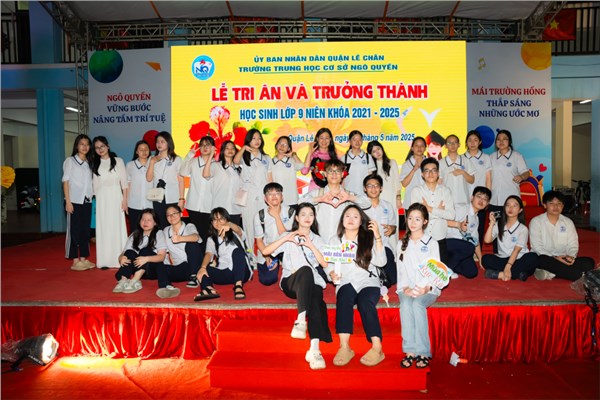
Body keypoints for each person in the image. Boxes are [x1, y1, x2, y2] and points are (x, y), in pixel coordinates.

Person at [262, 202, 332, 370]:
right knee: (306, 270)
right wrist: (286, 238)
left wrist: (310, 245)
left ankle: (314, 349)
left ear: (314, 218)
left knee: (316, 298)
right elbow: (265, 251)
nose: (307, 218)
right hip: (291, 281)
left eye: (311, 215)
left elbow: (324, 263)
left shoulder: (317, 239)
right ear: (297, 218)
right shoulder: (288, 235)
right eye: (303, 214)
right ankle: (301, 320)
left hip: (312, 282)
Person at [325, 204, 386, 367]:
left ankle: (377, 347)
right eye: (347, 216)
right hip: (346, 280)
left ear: (361, 221)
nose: (351, 219)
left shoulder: (368, 238)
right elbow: (328, 264)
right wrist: (331, 273)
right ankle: (344, 347)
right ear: (342, 220)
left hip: (368, 280)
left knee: (365, 302)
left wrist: (378, 237)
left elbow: (381, 262)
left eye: (355, 216)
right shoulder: (335, 240)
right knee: (344, 298)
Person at [397, 203, 440, 369]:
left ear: (425, 222)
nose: (413, 222)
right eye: (410, 218)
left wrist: (426, 288)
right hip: (407, 287)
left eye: (417, 219)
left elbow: (436, 271)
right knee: (406, 304)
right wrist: (405, 288)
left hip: (428, 288)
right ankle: (409, 351)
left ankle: (423, 352)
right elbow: (401, 270)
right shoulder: (401, 243)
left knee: (417, 305)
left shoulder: (432, 243)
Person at [300, 159, 371, 244]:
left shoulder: (348, 194)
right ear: (325, 174)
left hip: (340, 243)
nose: (334, 174)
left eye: (338, 171)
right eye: (330, 171)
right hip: (318, 242)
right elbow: (300, 202)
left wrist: (349, 197)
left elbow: (367, 203)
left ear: (342, 174)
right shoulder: (317, 193)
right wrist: (319, 199)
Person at [529, 191, 595, 281]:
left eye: (559, 204)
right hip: (546, 258)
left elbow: (573, 244)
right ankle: (579, 276)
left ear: (563, 206)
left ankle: (550, 274)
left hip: (564, 259)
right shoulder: (536, 222)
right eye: (551, 203)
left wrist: (571, 257)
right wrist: (555, 258)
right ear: (544, 205)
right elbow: (537, 247)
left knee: (589, 262)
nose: (556, 207)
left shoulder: (568, 222)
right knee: (541, 259)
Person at [195, 207, 253, 301]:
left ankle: (238, 286)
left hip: (242, 272)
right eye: (215, 219)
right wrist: (203, 267)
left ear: (226, 219)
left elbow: (238, 230)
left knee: (237, 251)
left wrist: (229, 224)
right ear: (212, 222)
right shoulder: (211, 239)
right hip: (225, 272)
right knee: (205, 268)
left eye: (221, 218)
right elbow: (208, 254)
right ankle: (209, 289)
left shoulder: (235, 233)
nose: (218, 222)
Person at [92, 136, 128, 269]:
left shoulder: (118, 161)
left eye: (102, 146)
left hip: (116, 197)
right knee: (104, 228)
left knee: (117, 227)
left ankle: (120, 259)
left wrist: (125, 200)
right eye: (97, 148)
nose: (100, 149)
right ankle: (104, 261)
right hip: (102, 199)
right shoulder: (95, 164)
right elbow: (95, 187)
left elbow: (124, 183)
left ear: (108, 146)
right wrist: (96, 204)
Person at [482, 195, 538, 281]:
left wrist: (508, 266)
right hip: (503, 258)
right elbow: (487, 240)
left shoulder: (523, 229)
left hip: (519, 258)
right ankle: (517, 274)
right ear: (504, 208)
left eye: (514, 206)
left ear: (520, 210)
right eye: (508, 205)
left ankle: (500, 274)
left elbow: (516, 250)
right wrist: (492, 224)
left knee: (533, 257)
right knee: (485, 259)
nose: (510, 208)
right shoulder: (499, 224)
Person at [233, 128, 271, 253]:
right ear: (248, 140)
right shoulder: (244, 156)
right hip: (248, 196)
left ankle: (264, 255)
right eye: (254, 138)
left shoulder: (266, 158)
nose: (257, 141)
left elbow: (270, 178)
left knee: (264, 225)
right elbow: (235, 161)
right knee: (249, 225)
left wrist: (270, 197)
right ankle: (250, 256)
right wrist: (243, 148)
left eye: (259, 138)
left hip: (263, 196)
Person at [410, 157, 455, 262]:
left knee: (440, 270)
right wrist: (440, 212)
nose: (430, 173)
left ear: (438, 173)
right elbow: (416, 218)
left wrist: (429, 209)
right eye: (427, 171)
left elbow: (451, 215)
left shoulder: (445, 191)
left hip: (440, 237)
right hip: (421, 237)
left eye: (434, 170)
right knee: (420, 268)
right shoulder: (416, 191)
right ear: (422, 174)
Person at [113, 209, 166, 294]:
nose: (145, 222)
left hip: (150, 269)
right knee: (129, 252)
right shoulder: (135, 234)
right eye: (143, 219)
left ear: (155, 222)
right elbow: (124, 252)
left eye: (149, 220)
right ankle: (123, 280)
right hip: (135, 268)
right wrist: (121, 258)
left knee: (145, 250)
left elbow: (161, 257)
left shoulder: (159, 234)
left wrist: (146, 259)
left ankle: (135, 281)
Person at [155, 205, 203, 299]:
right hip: (180, 268)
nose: (171, 216)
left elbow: (196, 237)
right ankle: (166, 286)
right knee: (158, 261)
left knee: (192, 244)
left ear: (181, 214)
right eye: (168, 215)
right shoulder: (165, 230)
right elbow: (162, 249)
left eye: (174, 213)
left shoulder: (189, 226)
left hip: (193, 266)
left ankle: (194, 277)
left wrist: (180, 238)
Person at [63, 134, 95, 271]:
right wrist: (68, 201)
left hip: (87, 200)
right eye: (82, 144)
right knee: (74, 231)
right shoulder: (70, 161)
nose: (85, 147)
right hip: (74, 201)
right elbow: (65, 181)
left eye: (87, 144)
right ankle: (75, 260)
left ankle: (83, 258)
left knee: (85, 231)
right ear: (77, 146)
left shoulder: (89, 163)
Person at [445, 186, 492, 278]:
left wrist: (481, 259)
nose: (481, 200)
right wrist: (458, 224)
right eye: (479, 196)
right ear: (471, 198)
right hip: (446, 242)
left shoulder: (476, 219)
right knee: (469, 248)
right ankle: (446, 270)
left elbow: (475, 241)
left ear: (487, 204)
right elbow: (441, 220)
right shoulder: (461, 208)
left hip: (460, 249)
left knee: (471, 272)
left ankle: (446, 262)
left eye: (485, 199)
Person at [254, 183, 295, 286]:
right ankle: (276, 261)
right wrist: (267, 255)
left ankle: (285, 263)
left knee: (295, 276)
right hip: (269, 248)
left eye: (277, 193)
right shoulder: (260, 215)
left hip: (287, 247)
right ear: (265, 198)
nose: (274, 196)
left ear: (282, 197)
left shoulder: (290, 212)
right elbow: (259, 240)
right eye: (270, 194)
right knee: (267, 280)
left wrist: (276, 216)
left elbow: (285, 235)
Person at [180, 135, 218, 242]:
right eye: (202, 145)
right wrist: (189, 155)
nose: (205, 147)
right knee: (195, 234)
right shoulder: (193, 161)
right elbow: (182, 172)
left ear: (213, 148)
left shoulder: (217, 164)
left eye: (208, 145)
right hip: (193, 205)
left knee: (207, 235)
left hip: (209, 206)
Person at [367, 140, 401, 256]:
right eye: (374, 151)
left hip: (391, 200)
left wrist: (398, 198)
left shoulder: (392, 162)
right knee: (380, 226)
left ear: (382, 148)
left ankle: (394, 255)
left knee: (392, 227)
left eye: (378, 149)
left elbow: (397, 182)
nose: (377, 152)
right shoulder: (371, 168)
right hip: (378, 201)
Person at [363, 174, 397, 286]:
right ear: (365, 188)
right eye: (370, 186)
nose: (373, 188)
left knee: (393, 279)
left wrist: (392, 228)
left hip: (384, 247)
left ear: (381, 188)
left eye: (376, 185)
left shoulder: (387, 206)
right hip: (365, 248)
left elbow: (394, 226)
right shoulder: (360, 207)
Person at [146, 131, 185, 229]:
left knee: (173, 224)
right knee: (160, 224)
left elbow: (181, 181)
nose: (159, 144)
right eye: (157, 142)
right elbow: (149, 178)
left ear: (169, 143)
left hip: (172, 196)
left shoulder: (177, 159)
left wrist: (181, 199)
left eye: (162, 141)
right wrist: (152, 162)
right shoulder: (152, 159)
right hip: (157, 197)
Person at [489, 129, 530, 217]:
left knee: (510, 223)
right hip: (494, 200)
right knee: (495, 223)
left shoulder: (517, 156)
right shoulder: (491, 157)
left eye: (504, 139)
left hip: (511, 201)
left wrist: (521, 177)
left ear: (510, 141)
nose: (501, 141)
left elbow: (526, 172)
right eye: (498, 139)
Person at [463, 130, 492, 242]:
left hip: (480, 199)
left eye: (475, 140)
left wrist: (487, 198)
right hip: (464, 198)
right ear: (466, 142)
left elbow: (488, 178)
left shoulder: (485, 157)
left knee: (478, 227)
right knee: (464, 226)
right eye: (469, 140)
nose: (472, 143)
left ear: (480, 142)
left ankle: (477, 249)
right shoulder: (461, 158)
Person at [439, 134, 475, 210]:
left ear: (459, 145)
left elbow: (472, 180)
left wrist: (463, 172)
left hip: (463, 201)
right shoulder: (440, 163)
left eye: (455, 142)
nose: (452, 145)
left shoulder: (466, 161)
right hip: (447, 202)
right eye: (449, 143)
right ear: (445, 145)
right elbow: (439, 183)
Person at [212, 140, 242, 227]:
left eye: (232, 148)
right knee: (219, 233)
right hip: (220, 207)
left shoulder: (239, 168)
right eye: (227, 148)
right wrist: (211, 155)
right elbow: (205, 175)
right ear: (222, 150)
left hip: (235, 208)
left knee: (235, 233)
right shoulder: (216, 165)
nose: (230, 150)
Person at [267, 136, 303, 206]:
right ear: (276, 145)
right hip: (277, 200)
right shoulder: (271, 162)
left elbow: (301, 166)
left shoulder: (291, 160)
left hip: (292, 199)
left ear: (289, 148)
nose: (282, 146)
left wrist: (293, 154)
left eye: (285, 145)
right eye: (280, 143)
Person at [126, 140, 153, 232]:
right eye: (141, 149)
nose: (144, 151)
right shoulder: (130, 165)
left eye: (146, 149)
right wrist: (126, 202)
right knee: (135, 230)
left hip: (150, 204)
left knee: (150, 231)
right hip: (134, 204)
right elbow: (128, 185)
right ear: (136, 151)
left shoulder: (154, 164)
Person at [342, 130, 376, 195]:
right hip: (348, 193)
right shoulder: (344, 158)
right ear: (350, 141)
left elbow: (370, 177)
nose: (357, 142)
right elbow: (342, 178)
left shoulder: (367, 157)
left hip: (364, 193)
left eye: (359, 139)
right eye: (354, 140)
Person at [400, 137, 426, 212]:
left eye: (422, 145)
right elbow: (404, 184)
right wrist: (414, 169)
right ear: (412, 148)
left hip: (426, 202)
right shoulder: (406, 164)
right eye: (416, 145)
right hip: (410, 202)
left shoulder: (429, 163)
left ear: (425, 148)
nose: (419, 148)